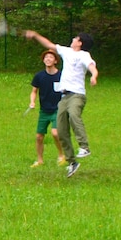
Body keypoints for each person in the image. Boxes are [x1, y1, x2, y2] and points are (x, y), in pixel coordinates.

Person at [22, 30, 98, 178]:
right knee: (61, 131)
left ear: (80, 42)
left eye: (75, 38)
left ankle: (84, 146)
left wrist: (94, 76)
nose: (73, 38)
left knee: (74, 116)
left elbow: (92, 67)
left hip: (77, 95)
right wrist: (36, 35)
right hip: (63, 97)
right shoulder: (66, 51)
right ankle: (72, 162)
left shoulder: (83, 55)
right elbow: (49, 44)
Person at [29, 48, 65, 167]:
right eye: (46, 57)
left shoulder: (62, 76)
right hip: (44, 110)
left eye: (51, 57)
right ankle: (39, 160)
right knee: (39, 136)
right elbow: (34, 91)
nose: (48, 59)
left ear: (55, 61)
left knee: (55, 133)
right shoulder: (39, 76)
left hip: (58, 109)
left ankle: (61, 155)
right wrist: (32, 102)